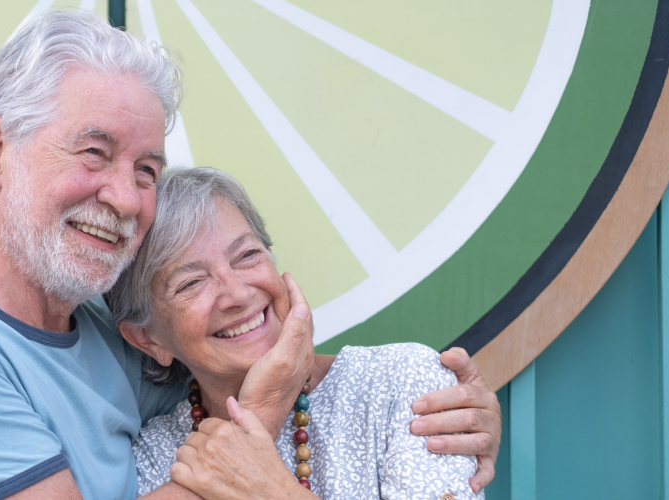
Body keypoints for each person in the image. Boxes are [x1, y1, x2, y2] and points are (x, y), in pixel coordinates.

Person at [0, 10, 500, 500]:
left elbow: (237, 359)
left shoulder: (114, 339)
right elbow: (251, 402)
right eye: (94, 152)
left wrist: (441, 406)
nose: (124, 196)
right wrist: (255, 427)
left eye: (147, 168)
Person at [109, 167, 482, 499]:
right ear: (148, 339)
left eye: (247, 256)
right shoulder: (158, 457)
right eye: (191, 283)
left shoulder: (402, 381)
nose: (237, 295)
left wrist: (267, 490)